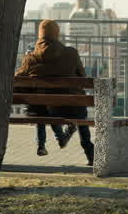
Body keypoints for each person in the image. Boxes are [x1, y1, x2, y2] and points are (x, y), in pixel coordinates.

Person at [15, 19, 94, 165]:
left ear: (40, 35)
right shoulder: (71, 53)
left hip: (45, 112)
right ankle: (90, 153)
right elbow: (83, 77)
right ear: (57, 34)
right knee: (80, 113)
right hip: (73, 109)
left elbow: (17, 81)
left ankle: (43, 144)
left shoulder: (31, 58)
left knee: (44, 103)